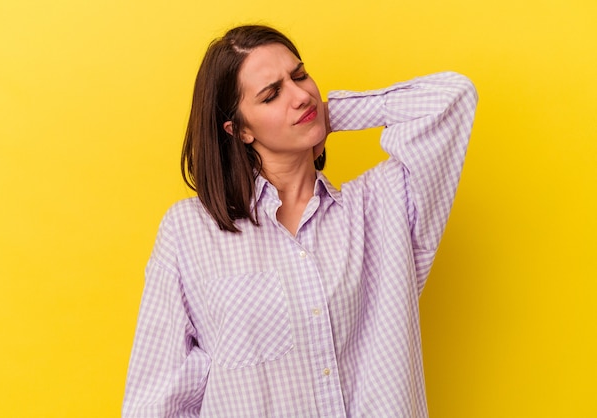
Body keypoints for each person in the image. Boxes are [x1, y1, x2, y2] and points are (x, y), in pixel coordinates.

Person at [122, 24, 477, 417]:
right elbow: (155, 400)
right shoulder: (189, 232)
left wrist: (330, 113)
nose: (299, 96)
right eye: (272, 94)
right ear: (238, 129)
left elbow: (454, 98)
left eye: (300, 75)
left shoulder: (382, 208)